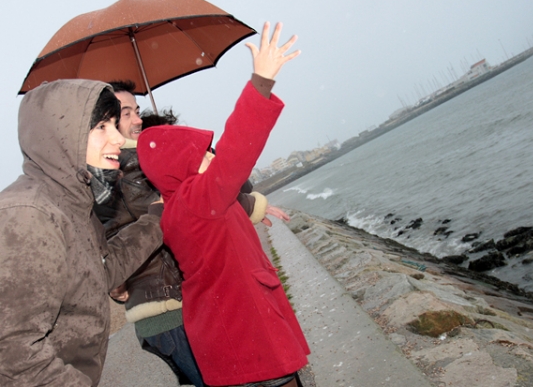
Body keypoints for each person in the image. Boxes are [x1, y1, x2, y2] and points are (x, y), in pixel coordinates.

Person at [137, 22, 308, 387]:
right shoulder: (196, 199)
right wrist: (261, 82)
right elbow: (237, 151)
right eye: (203, 154)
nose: (213, 156)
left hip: (228, 335)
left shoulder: (182, 205)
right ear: (181, 167)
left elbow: (234, 191)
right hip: (247, 333)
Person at [97, 82, 285, 386]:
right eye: (126, 113)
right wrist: (253, 205)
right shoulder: (132, 169)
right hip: (173, 309)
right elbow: (192, 205)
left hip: (158, 312)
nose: (138, 119)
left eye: (137, 110)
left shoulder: (110, 173)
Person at [0, 79, 164, 386]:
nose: (118, 138)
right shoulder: (28, 215)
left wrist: (156, 219)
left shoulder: (75, 206)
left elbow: (102, 272)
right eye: (102, 126)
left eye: (116, 125)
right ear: (61, 136)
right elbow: (14, 356)